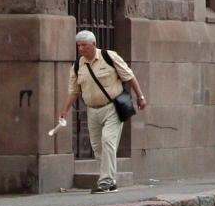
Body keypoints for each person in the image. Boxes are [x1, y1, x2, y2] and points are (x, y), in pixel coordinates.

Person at [57, 31, 147, 193]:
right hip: (92, 110)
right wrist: (64, 110)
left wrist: (140, 96)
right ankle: (109, 181)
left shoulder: (109, 56)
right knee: (97, 146)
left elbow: (129, 76)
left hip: (112, 107)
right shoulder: (77, 66)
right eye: (78, 45)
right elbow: (74, 91)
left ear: (93, 44)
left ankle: (105, 181)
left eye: (84, 45)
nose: (81, 48)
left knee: (108, 141)